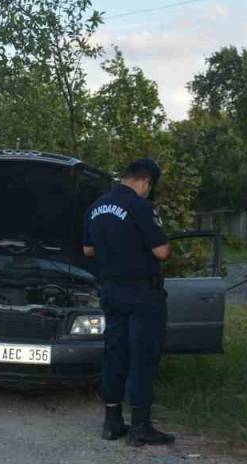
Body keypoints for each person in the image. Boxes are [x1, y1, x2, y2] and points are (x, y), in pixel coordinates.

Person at [83, 158, 176, 447]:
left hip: (111, 292)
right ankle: (140, 426)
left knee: (115, 354)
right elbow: (161, 252)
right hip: (141, 295)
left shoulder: (96, 207)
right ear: (146, 181)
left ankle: (112, 422)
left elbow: (87, 250)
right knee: (142, 356)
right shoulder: (141, 207)